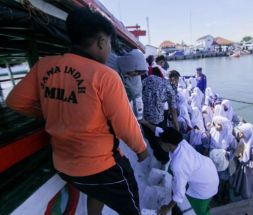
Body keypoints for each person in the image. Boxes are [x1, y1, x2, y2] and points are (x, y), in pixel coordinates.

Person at [5, 8, 148, 215]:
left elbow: (15, 101)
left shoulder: (43, 66)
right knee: (132, 206)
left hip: (64, 166)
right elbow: (125, 125)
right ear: (101, 41)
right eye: (109, 43)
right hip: (101, 167)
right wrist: (141, 151)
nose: (109, 49)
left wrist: (50, 112)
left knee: (97, 192)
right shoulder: (105, 76)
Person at [158, 127, 219, 215]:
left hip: (204, 189)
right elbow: (160, 131)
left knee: (200, 210)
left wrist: (167, 208)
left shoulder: (178, 165)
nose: (160, 145)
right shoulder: (181, 142)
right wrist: (145, 122)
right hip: (210, 172)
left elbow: (179, 194)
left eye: (161, 143)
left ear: (169, 145)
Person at [141, 69, 179, 164]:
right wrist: (177, 126)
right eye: (177, 81)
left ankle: (156, 152)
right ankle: (163, 160)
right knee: (160, 139)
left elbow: (139, 91)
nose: (177, 83)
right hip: (158, 119)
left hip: (143, 115)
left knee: (150, 138)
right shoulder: (170, 88)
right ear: (173, 79)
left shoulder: (150, 78)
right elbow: (173, 109)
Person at [232, 123, 253, 199]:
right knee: (239, 181)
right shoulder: (245, 140)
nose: (240, 134)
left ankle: (248, 198)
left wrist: (245, 162)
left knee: (247, 185)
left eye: (242, 132)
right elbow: (238, 151)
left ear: (248, 133)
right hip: (242, 166)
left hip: (248, 170)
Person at [117, 49, 147, 120]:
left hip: (133, 102)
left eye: (139, 73)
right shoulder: (113, 65)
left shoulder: (135, 77)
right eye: (136, 72)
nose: (136, 74)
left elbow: (137, 94)